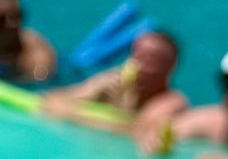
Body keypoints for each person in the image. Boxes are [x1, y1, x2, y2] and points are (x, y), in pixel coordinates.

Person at [42, 26, 187, 146]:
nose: (140, 65)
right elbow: (48, 99)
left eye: (151, 59)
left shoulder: (172, 102)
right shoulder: (112, 83)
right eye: (137, 55)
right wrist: (91, 90)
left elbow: (137, 132)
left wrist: (71, 115)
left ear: (171, 66)